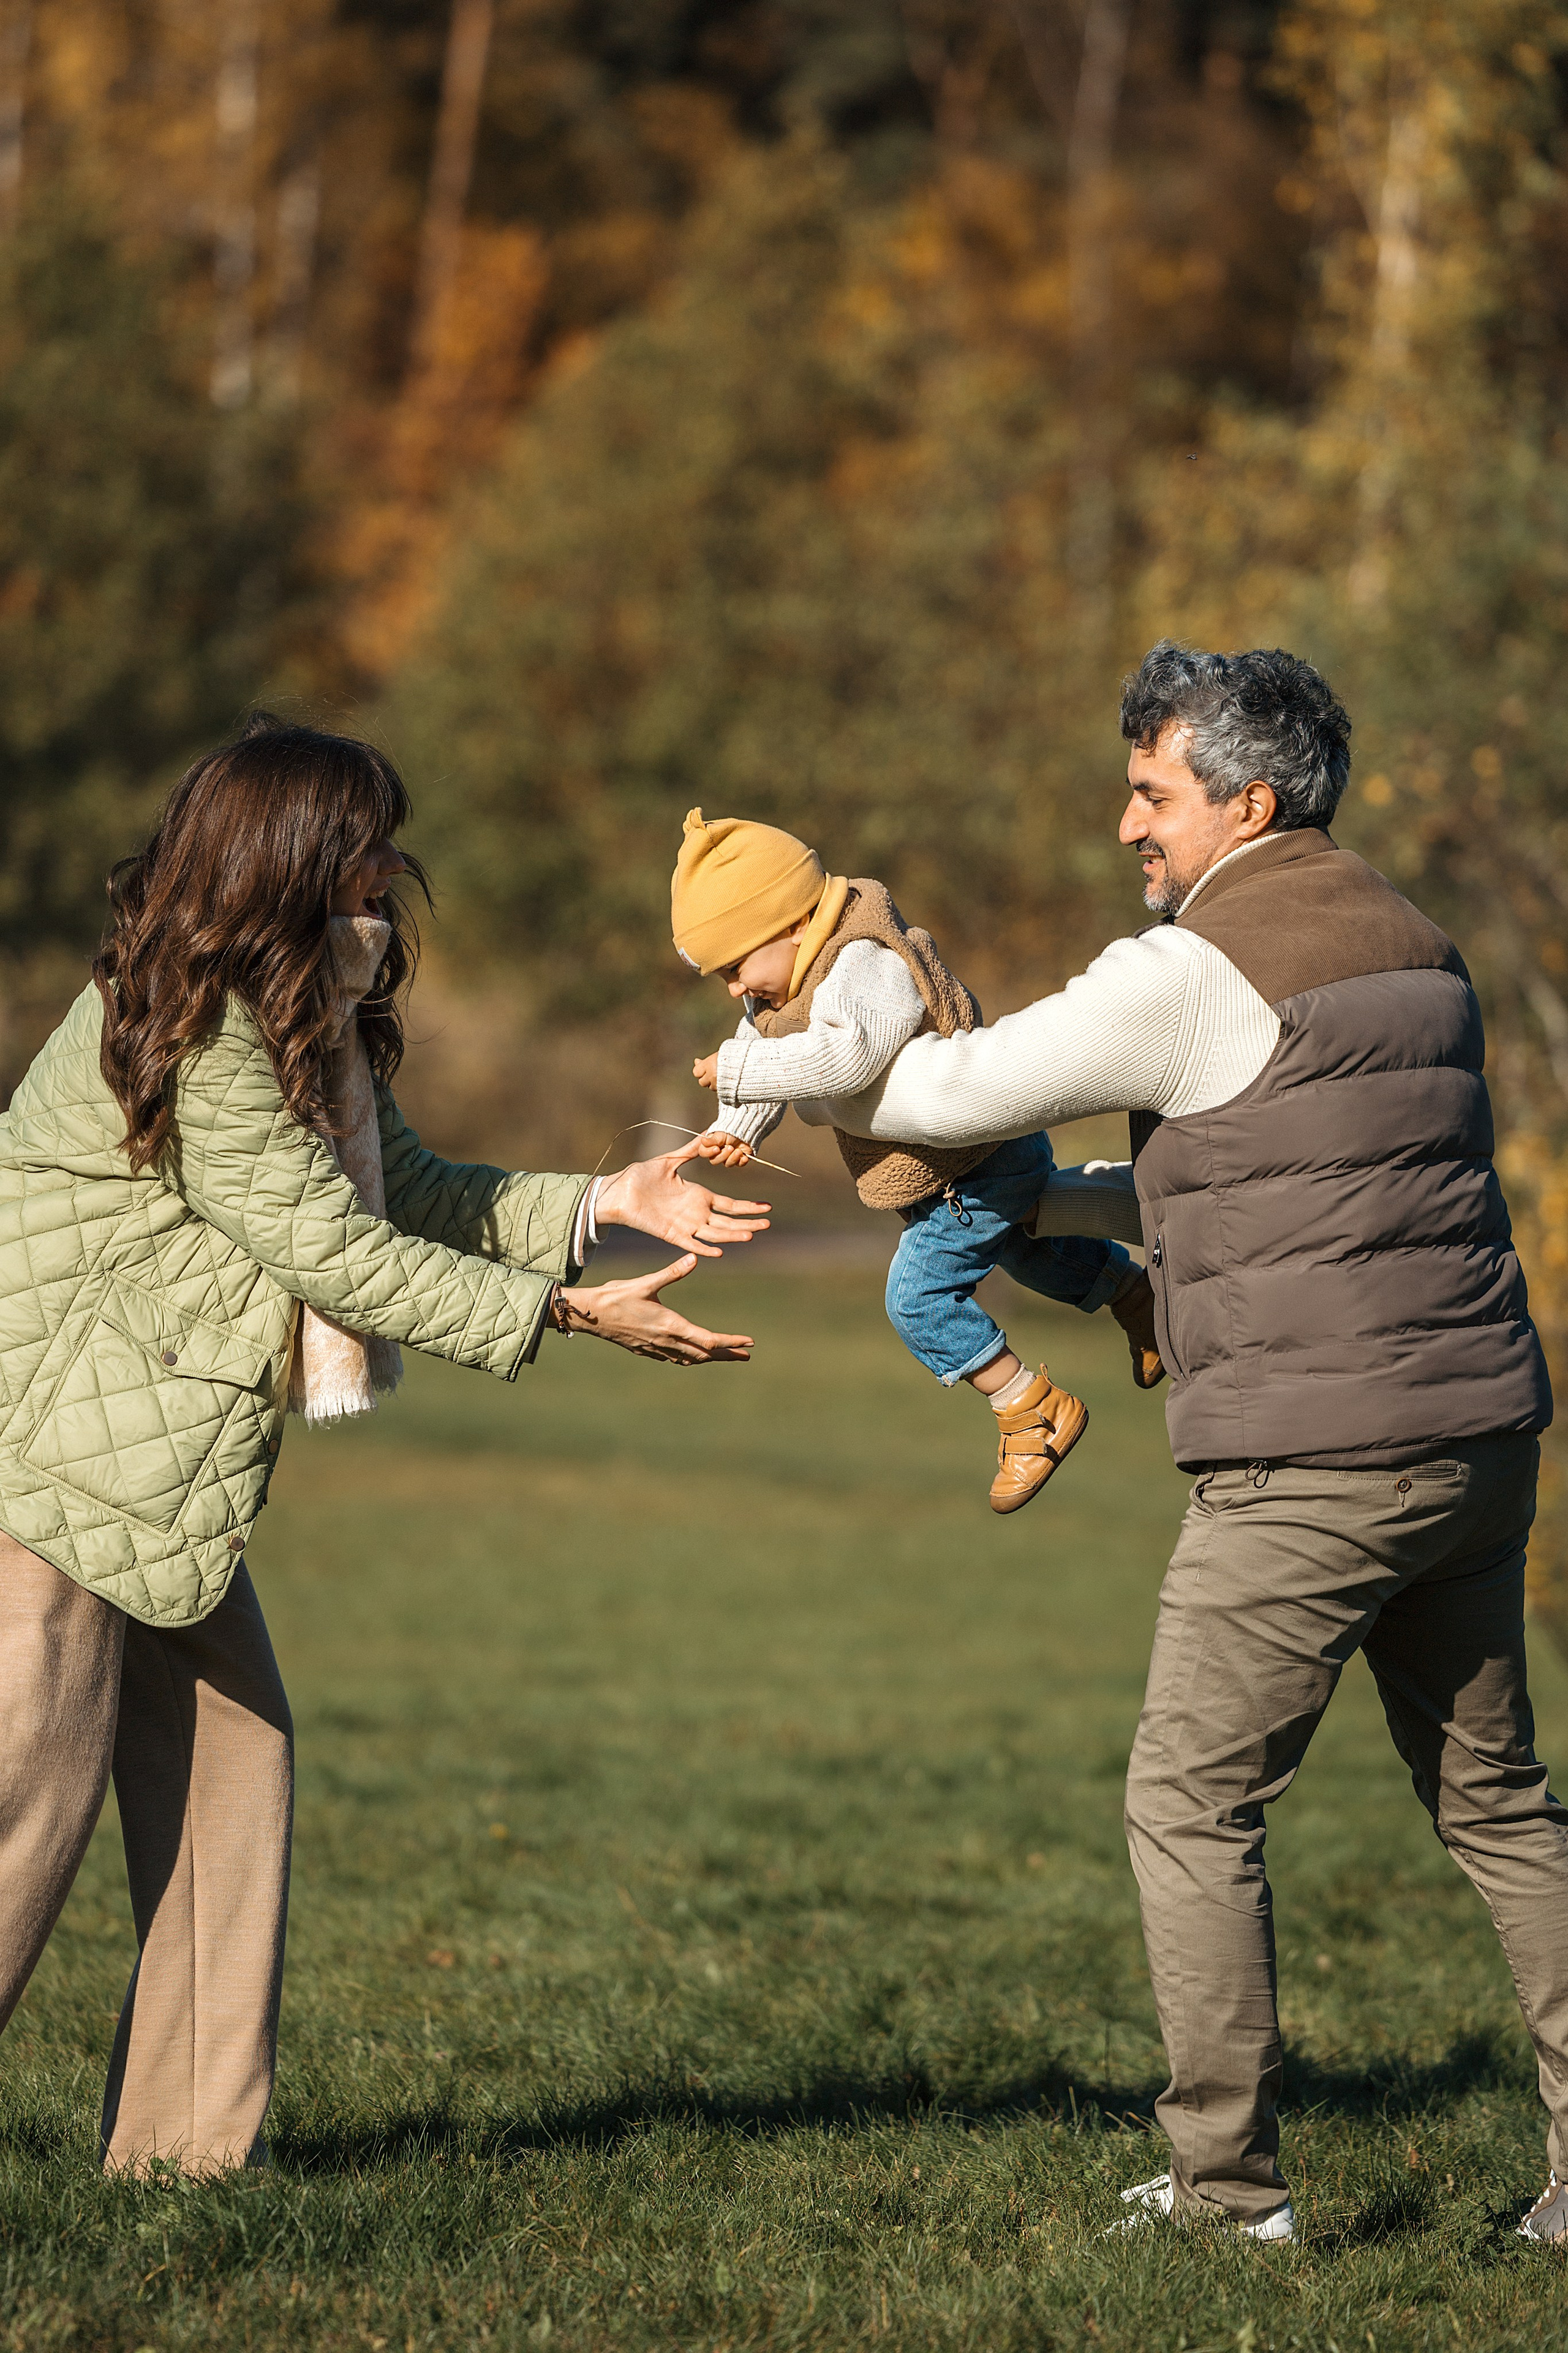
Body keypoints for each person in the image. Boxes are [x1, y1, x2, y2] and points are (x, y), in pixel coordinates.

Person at [810, 641, 1568, 2246]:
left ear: (1249, 796)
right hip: (1481, 1441)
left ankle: (1227, 2193)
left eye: (1153, 792)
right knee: (1500, 1808)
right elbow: (1267, 1176)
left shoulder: (1187, 971)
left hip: (1316, 1464)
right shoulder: (1421, 952)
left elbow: (942, 1092)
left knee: (1190, 1801)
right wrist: (1049, 1212)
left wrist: (828, 990)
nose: (1127, 827)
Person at [0, 715, 768, 2177]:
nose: (386, 866)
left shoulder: (298, 1011)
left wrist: (609, 1195)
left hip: (141, 1457)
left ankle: (179, 2159)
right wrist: (565, 1310)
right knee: (24, 1804)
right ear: (284, 852)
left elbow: (399, 1184)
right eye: (361, 841)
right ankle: (176, 2147)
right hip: (44, 1448)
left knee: (236, 1747)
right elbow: (330, 1250)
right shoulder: (207, 1025)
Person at [669, 808, 1163, 1514]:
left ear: (791, 925)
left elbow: (846, 1057)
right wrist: (740, 1127)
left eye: (734, 965)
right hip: (961, 1167)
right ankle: (1136, 1297)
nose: (733, 988)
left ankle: (1031, 1409)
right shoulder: (786, 986)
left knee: (917, 1295)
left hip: (980, 1157)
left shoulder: (861, 961)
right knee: (1030, 1252)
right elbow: (775, 1049)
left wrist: (742, 1068)